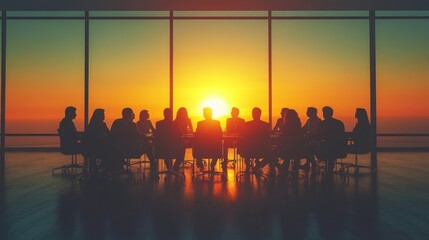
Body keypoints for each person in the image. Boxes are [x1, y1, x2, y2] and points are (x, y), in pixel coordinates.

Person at [239, 107, 271, 172]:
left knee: (247, 149)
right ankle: (259, 164)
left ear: (252, 114)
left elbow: (242, 136)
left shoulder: (247, 125)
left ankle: (248, 166)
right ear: (260, 114)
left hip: (248, 151)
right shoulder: (265, 125)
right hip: (262, 150)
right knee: (272, 152)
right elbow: (268, 137)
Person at [317, 106, 346, 174]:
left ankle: (329, 169)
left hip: (328, 148)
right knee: (329, 148)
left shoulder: (322, 124)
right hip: (339, 148)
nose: (323, 114)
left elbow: (318, 136)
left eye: (324, 113)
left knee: (327, 148)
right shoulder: (339, 123)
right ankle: (329, 169)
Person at [193, 107, 223, 171]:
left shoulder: (200, 124)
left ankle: (199, 162)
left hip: (202, 150)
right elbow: (220, 135)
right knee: (217, 146)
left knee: (196, 144)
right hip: (214, 150)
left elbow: (197, 136)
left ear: (204, 114)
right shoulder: (217, 123)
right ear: (211, 113)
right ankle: (213, 163)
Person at [302, 107, 322, 172]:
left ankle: (313, 163)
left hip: (316, 142)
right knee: (306, 146)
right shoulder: (309, 120)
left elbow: (314, 133)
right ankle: (309, 163)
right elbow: (303, 129)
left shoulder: (317, 121)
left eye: (308, 111)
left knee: (307, 148)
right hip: (310, 141)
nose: (306, 113)